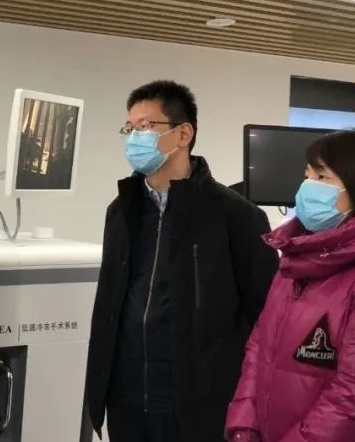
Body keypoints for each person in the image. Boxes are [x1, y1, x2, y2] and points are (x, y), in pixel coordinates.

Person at [84, 80, 279, 442]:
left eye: (146, 126)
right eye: (130, 128)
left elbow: (265, 317)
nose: (135, 137)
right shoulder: (121, 212)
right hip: (125, 397)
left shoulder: (236, 215)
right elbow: (110, 303)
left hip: (197, 403)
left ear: (183, 134)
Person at [225, 128, 355, 442]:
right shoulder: (298, 257)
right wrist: (244, 427)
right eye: (307, 174)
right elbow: (259, 348)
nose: (307, 186)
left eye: (322, 177)